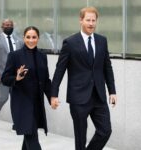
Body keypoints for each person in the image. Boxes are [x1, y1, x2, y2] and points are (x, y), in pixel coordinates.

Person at [51, 7, 117, 150]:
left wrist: (112, 91)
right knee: (80, 138)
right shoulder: (70, 42)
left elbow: (107, 67)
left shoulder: (102, 41)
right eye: (88, 20)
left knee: (105, 131)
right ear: (81, 20)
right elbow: (59, 70)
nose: (91, 23)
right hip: (78, 97)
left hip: (99, 96)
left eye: (94, 20)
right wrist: (53, 94)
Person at [1, 26, 51, 150]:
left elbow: (46, 81)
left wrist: (52, 97)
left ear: (38, 38)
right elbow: (5, 78)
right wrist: (16, 78)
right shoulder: (14, 56)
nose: (31, 40)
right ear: (23, 38)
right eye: (28, 37)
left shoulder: (42, 57)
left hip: (37, 104)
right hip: (22, 104)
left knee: (29, 135)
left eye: (34, 37)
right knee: (32, 138)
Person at [0, 18, 23, 127]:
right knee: (3, 97)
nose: (8, 26)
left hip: (16, 76)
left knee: (16, 99)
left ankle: (17, 122)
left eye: (10, 25)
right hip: (1, 75)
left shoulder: (18, 40)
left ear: (13, 27)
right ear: (1, 27)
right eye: (5, 25)